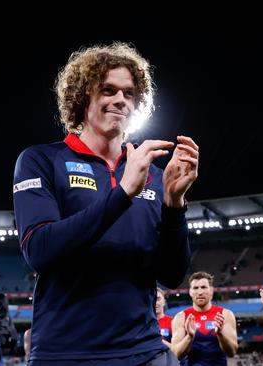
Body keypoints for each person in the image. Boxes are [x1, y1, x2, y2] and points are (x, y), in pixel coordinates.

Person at [13, 42, 199, 365]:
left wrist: (173, 204)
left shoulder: (152, 175)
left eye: (129, 93)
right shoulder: (40, 161)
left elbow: (171, 275)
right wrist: (122, 193)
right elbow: (39, 250)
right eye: (108, 90)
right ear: (83, 96)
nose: (120, 100)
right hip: (66, 354)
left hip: (144, 351)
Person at [172, 271, 238, 365]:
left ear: (211, 290)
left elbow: (232, 353)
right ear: (190, 292)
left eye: (203, 287)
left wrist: (220, 334)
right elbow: (176, 355)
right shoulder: (181, 317)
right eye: (195, 288)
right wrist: (189, 337)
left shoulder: (225, 314)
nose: (200, 292)